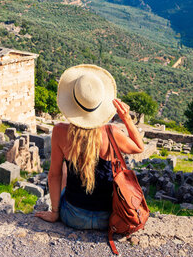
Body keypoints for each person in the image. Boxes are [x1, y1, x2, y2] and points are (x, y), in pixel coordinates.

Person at [35, 64, 145, 229]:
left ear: (72, 102)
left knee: (64, 170)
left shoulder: (59, 132)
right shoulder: (112, 132)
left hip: (72, 217)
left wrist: (55, 213)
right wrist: (127, 118)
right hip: (107, 219)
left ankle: (64, 208)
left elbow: (54, 176)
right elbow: (139, 147)